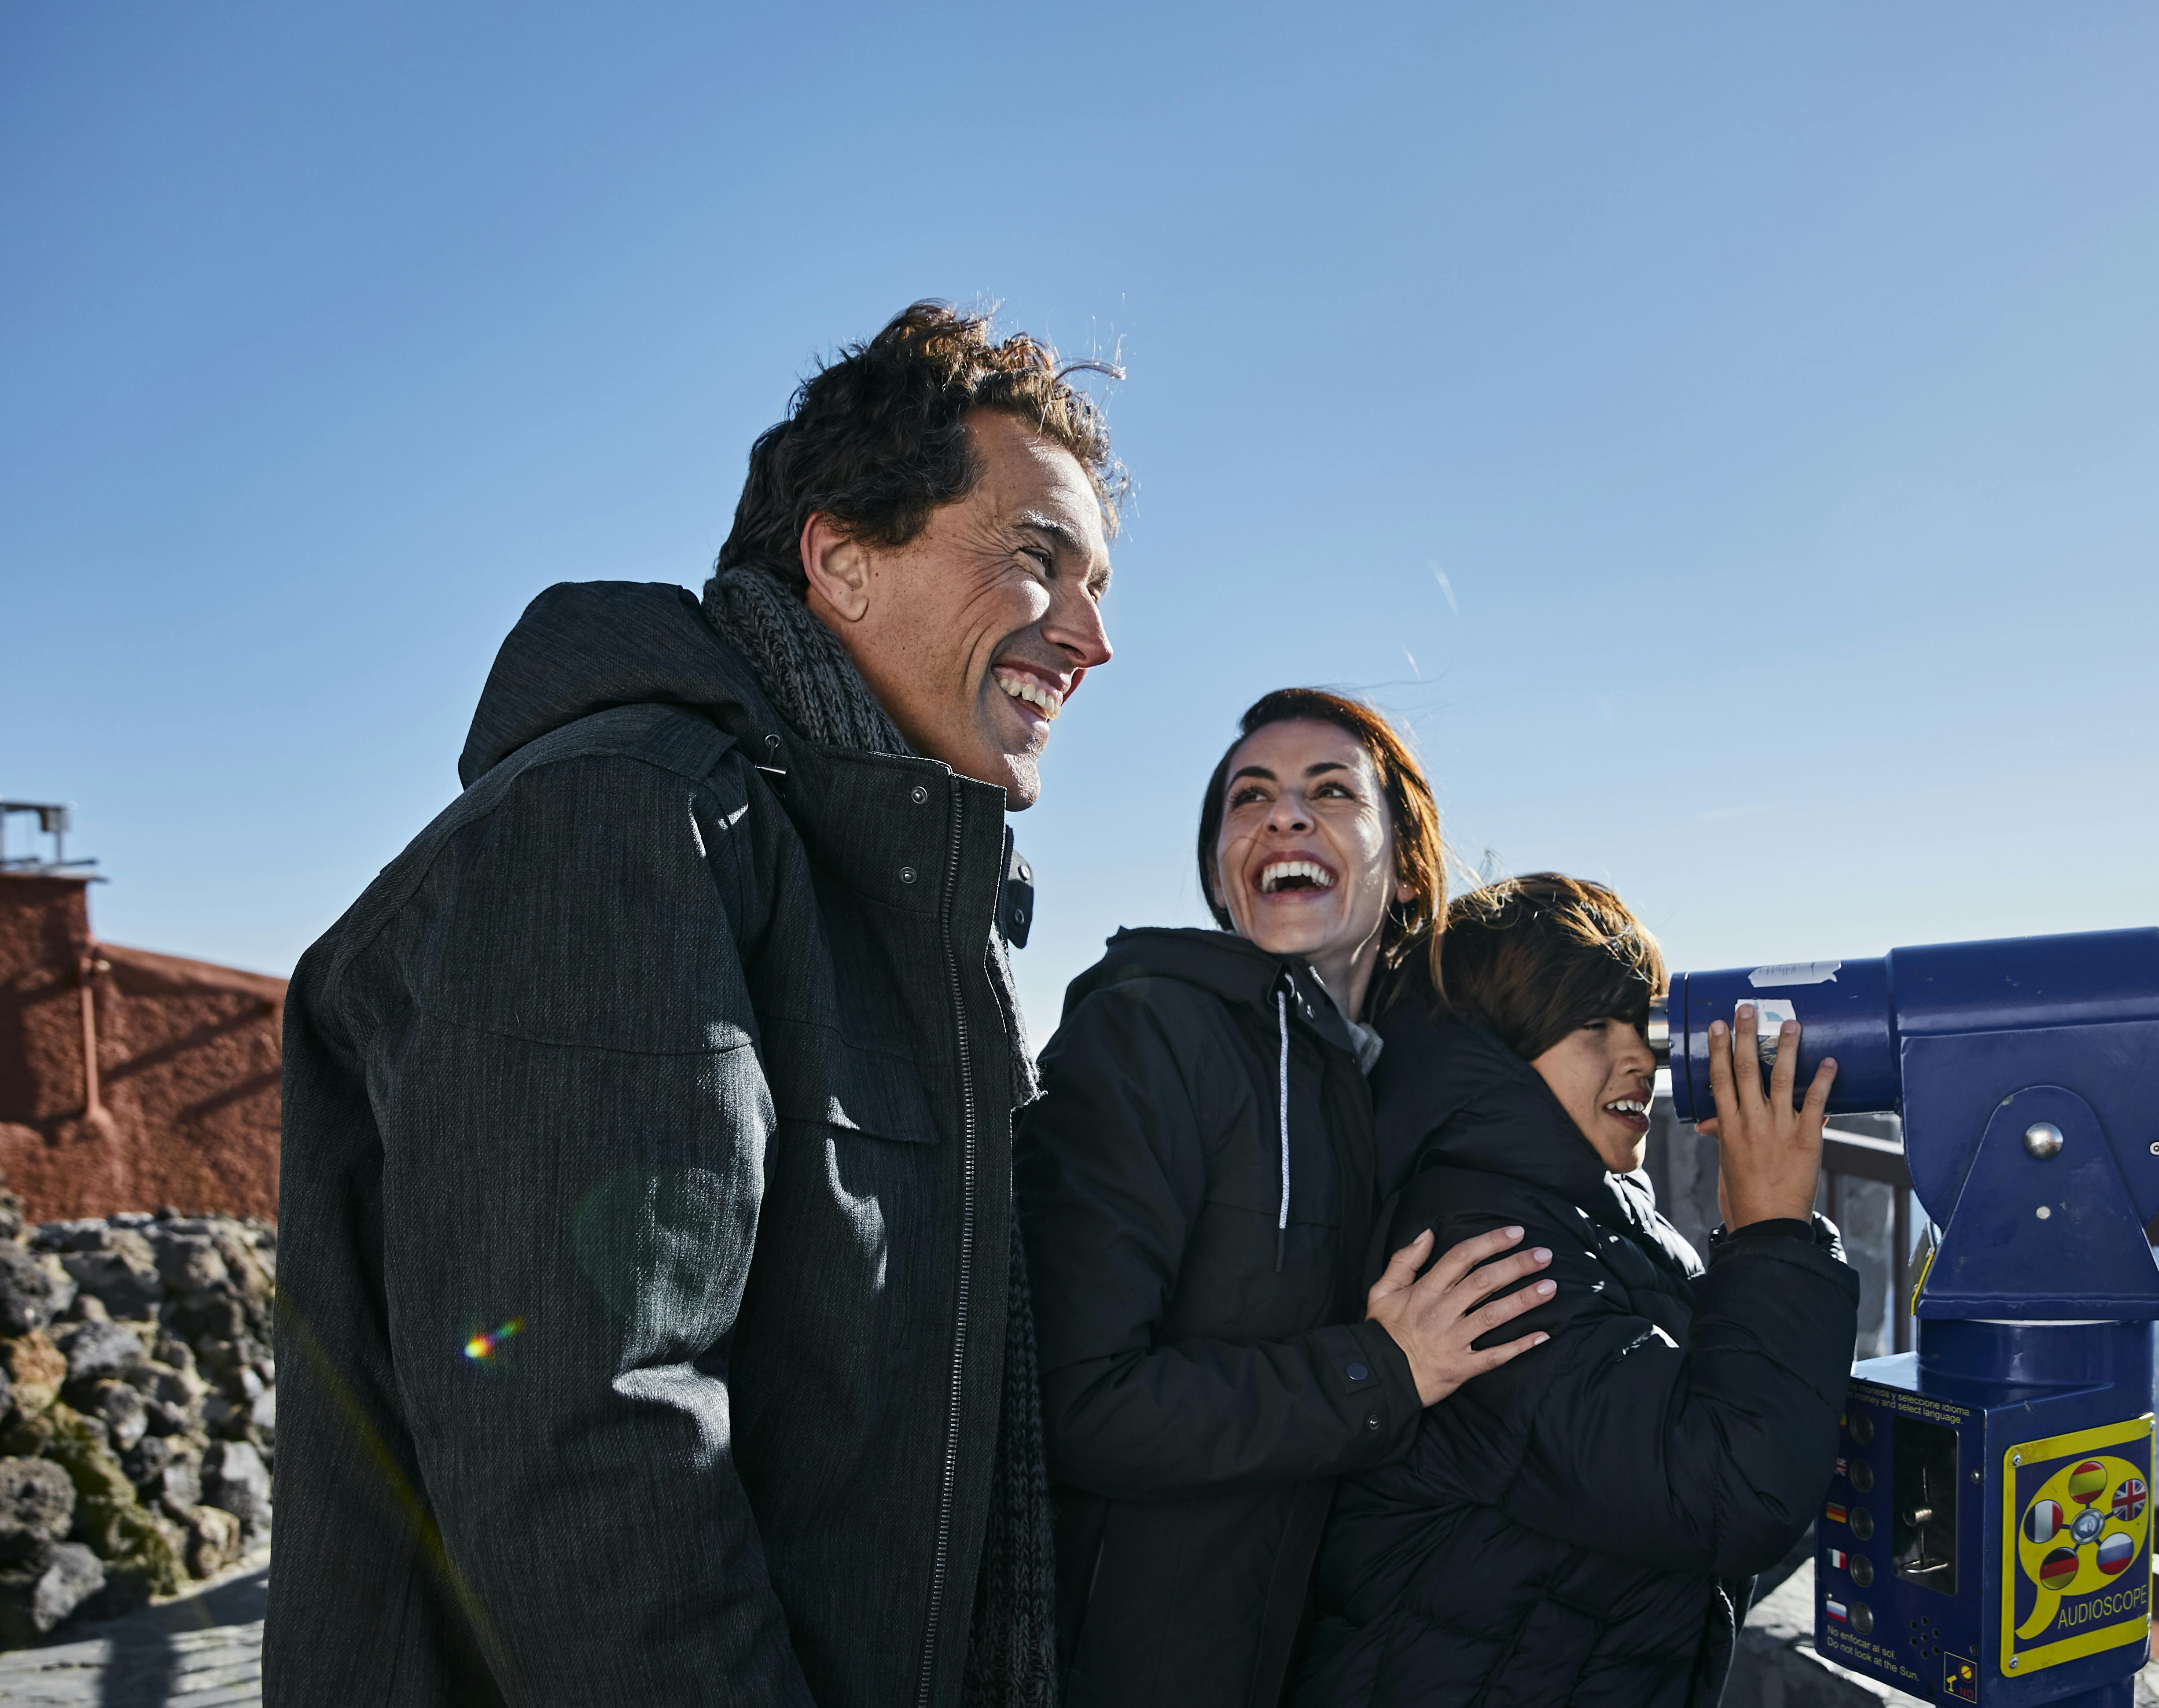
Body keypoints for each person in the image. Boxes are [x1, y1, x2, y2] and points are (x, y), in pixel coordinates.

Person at [268, 303, 1119, 1707]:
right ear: (839, 558)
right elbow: (588, 1438)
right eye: (1040, 561)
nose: (1090, 636)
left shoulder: (876, 900)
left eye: (1098, 583)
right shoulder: (625, 823)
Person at [1015, 689, 1558, 1708]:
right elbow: (1078, 1402)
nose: (1284, 815)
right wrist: (1381, 1370)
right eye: (1249, 797)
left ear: (1403, 867)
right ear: (1224, 873)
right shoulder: (1147, 1037)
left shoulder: (1395, 1087)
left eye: (1332, 791)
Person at [1291, 874, 1862, 1708]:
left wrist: (1760, 1235)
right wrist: (1772, 1235)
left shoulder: (1590, 1212)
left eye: (1644, 1021)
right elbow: (1732, 1492)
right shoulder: (1482, 1246)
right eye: (1595, 1023)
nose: (1643, 1054)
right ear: (1495, 1048)